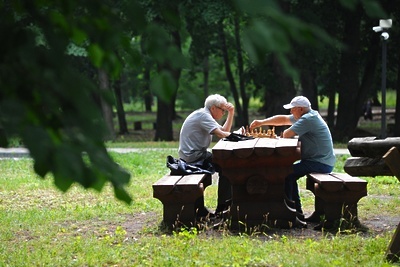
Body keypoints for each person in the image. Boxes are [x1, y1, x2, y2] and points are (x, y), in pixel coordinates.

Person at [250, 96, 336, 226]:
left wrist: (273, 133)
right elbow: (283, 119)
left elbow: (286, 134)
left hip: (320, 163)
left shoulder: (308, 119)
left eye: (292, 109)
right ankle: (296, 210)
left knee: (286, 174)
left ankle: (292, 211)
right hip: (319, 161)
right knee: (288, 173)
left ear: (300, 109)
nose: (290, 112)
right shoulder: (308, 115)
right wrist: (262, 122)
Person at [178, 94, 235, 216]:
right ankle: (223, 208)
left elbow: (225, 131)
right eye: (223, 110)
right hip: (194, 157)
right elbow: (221, 134)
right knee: (227, 167)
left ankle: (224, 206)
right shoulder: (203, 116)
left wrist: (231, 113)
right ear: (213, 108)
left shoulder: (205, 115)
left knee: (227, 165)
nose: (223, 113)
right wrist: (240, 138)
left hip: (196, 155)